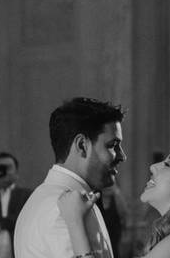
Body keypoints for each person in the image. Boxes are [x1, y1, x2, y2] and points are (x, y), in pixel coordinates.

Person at [13, 97, 127, 258]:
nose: (122, 156)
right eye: (112, 145)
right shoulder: (61, 209)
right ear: (81, 145)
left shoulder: (61, 199)